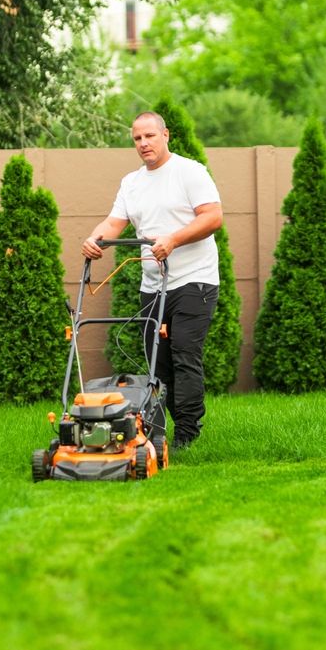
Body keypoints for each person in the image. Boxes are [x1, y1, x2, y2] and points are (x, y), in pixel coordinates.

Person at [82, 111, 223, 448]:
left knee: (184, 356)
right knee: (157, 363)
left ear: (165, 135)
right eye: (137, 139)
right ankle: (156, 433)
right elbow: (114, 224)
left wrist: (173, 240)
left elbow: (213, 216)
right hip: (153, 285)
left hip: (195, 280)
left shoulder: (190, 172)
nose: (143, 143)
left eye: (149, 136)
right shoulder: (132, 183)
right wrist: (94, 239)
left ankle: (187, 434)